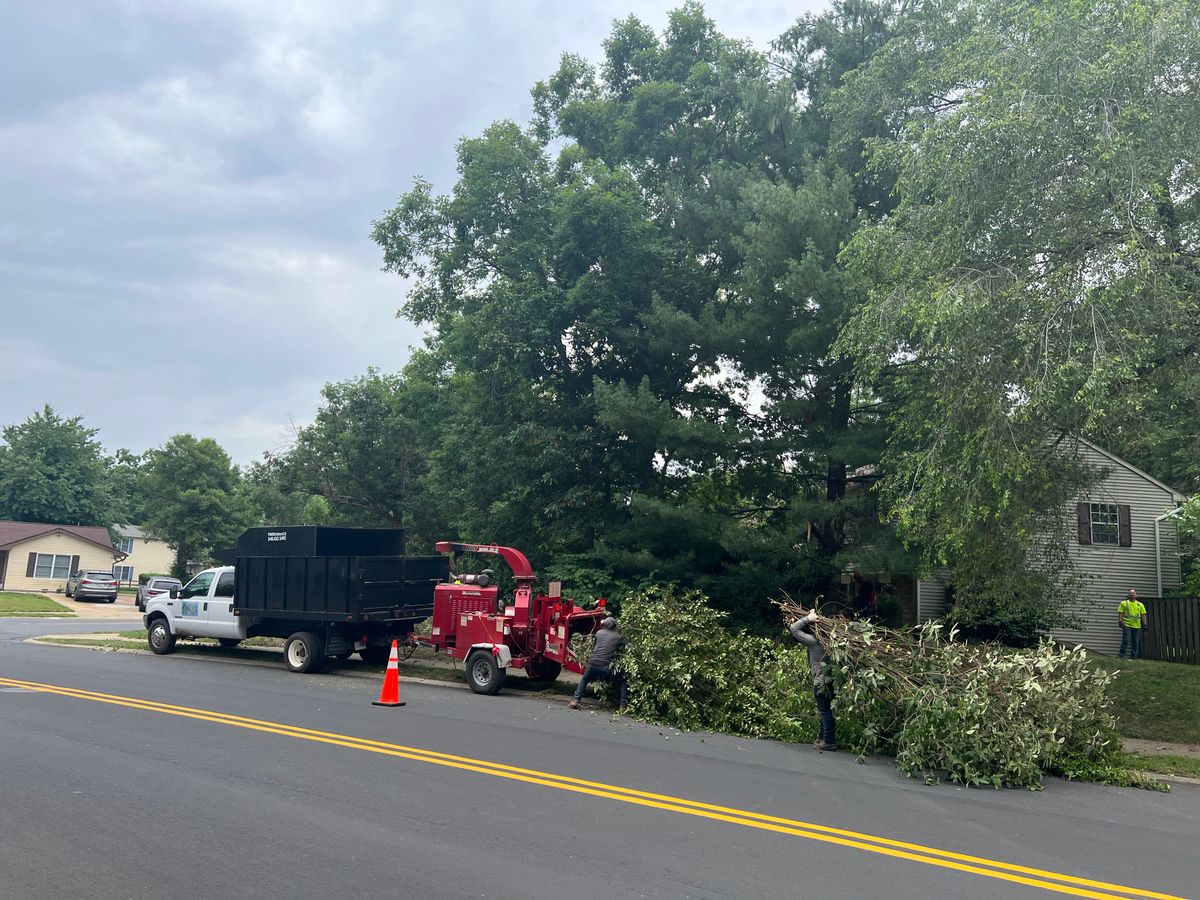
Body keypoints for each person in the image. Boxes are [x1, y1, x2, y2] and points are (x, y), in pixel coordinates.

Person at [790, 606, 837, 751]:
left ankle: (828, 740)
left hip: (821, 681)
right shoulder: (833, 642)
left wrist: (808, 619)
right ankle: (823, 738)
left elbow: (794, 629)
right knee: (827, 710)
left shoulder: (814, 641)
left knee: (825, 711)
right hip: (832, 680)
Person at [570, 616, 629, 710]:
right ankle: (623, 705)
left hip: (593, 663)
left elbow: (595, 647)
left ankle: (576, 700)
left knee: (585, 679)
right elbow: (625, 644)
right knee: (622, 681)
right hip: (607, 666)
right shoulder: (618, 637)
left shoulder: (599, 633)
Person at [1117, 589, 1148, 660]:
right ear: (1128, 595)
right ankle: (1121, 655)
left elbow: (1143, 615)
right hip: (1127, 624)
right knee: (1126, 640)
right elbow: (1120, 613)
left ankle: (1133, 657)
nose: (1132, 594)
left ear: (1136, 595)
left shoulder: (1140, 604)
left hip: (1137, 626)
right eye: (1131, 593)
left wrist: (1145, 624)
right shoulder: (1124, 603)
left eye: (1134, 593)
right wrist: (1120, 621)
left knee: (1135, 641)